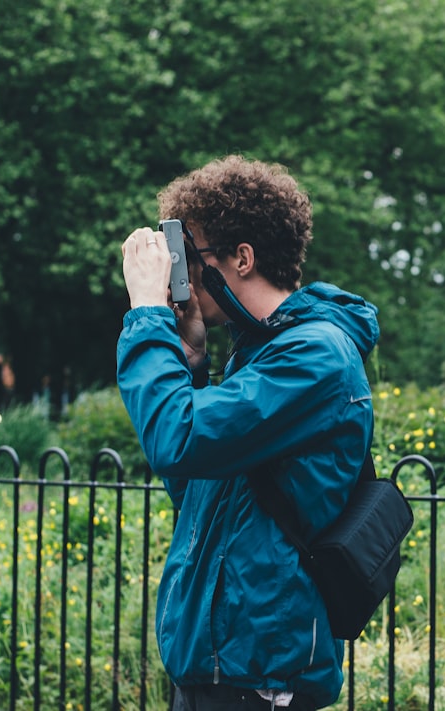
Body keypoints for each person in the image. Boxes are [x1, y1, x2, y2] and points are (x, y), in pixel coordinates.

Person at [116, 155, 380, 710]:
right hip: (219, 662)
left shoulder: (313, 357)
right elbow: (193, 484)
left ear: (242, 258)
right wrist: (189, 360)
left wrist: (146, 313)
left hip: (258, 670)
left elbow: (175, 439)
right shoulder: (260, 354)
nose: (179, 277)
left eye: (190, 256)